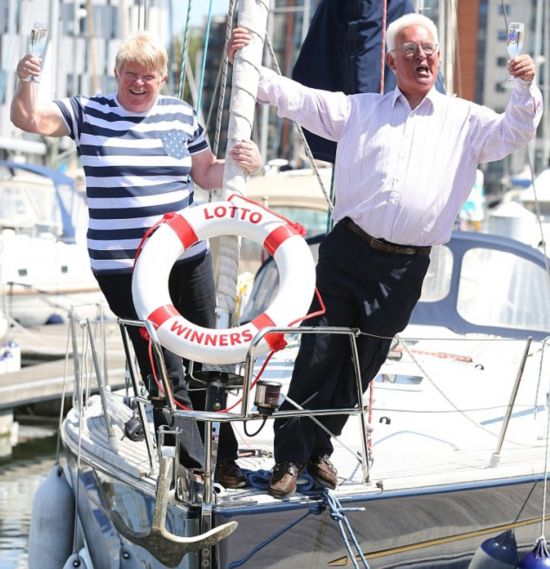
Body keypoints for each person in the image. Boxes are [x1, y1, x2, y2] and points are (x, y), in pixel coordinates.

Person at [228, 13, 543, 499]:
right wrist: (247, 59)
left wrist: (524, 87)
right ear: (392, 61)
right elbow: (297, 98)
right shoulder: (360, 109)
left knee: (364, 363)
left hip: (404, 267)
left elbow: (516, 132)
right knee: (319, 352)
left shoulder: (466, 120)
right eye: (410, 51)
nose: (422, 58)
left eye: (429, 50)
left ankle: (319, 447)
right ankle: (289, 458)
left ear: (439, 58)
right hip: (347, 251)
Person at [12, 31, 262, 488]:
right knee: (163, 366)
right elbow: (29, 118)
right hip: (123, 268)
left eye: (148, 76)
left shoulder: (179, 116)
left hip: (186, 259)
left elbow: (205, 173)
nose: (139, 83)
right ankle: (191, 467)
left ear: (163, 77)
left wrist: (243, 162)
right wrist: (26, 79)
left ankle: (222, 457)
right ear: (117, 73)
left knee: (207, 358)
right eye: (131, 74)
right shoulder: (90, 113)